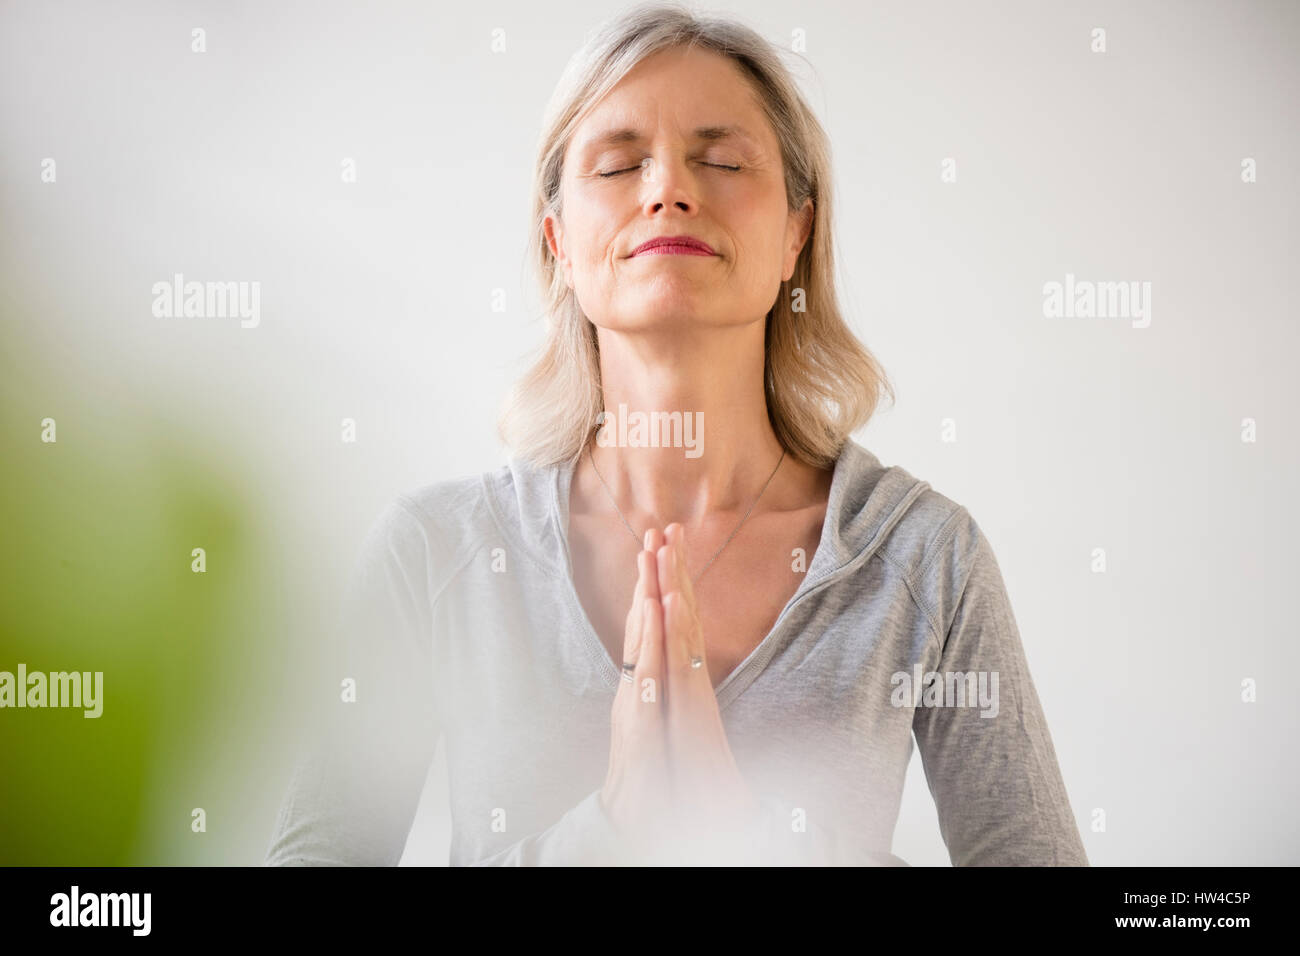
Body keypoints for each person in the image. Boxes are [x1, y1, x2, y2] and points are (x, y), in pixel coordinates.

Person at [264, 2, 1089, 866]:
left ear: (795, 234)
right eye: (619, 166)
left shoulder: (925, 560)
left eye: (723, 159)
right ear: (561, 245)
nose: (668, 191)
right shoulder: (435, 555)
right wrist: (608, 832)